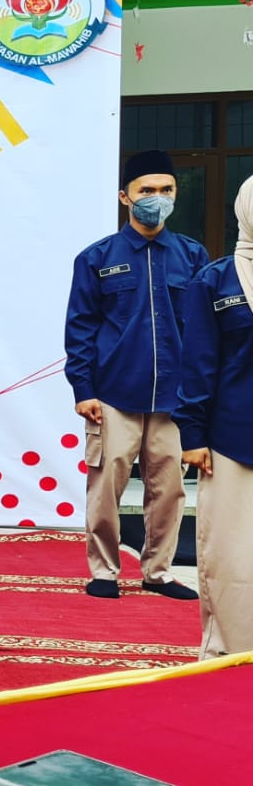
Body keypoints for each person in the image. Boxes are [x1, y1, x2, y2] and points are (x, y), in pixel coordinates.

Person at [65, 150, 206, 601]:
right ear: (125, 197)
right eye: (147, 190)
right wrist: (83, 389)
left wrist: (200, 394)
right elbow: (81, 328)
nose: (157, 198)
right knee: (106, 486)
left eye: (166, 190)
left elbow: (202, 332)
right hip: (113, 394)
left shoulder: (192, 256)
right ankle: (105, 570)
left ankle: (158, 572)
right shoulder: (97, 258)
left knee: (170, 490)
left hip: (174, 398)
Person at [175, 175, 253, 658]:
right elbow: (198, 361)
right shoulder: (216, 280)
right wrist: (193, 433)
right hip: (231, 439)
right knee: (230, 551)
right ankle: (230, 646)